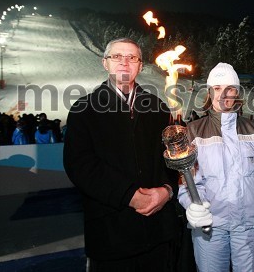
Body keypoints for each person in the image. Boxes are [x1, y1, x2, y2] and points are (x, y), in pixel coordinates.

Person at [63, 38, 180, 271]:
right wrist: (128, 195)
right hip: (111, 235)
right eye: (117, 56)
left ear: (140, 66)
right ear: (105, 63)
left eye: (132, 58)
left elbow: (171, 160)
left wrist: (167, 191)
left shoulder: (158, 108)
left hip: (158, 232)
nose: (125, 63)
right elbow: (81, 166)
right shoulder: (84, 109)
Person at [178, 62, 254, 272]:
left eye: (229, 88)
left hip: (251, 228)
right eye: (217, 88)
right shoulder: (193, 132)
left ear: (237, 93)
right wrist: (192, 207)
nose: (223, 94)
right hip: (210, 227)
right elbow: (186, 184)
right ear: (209, 92)